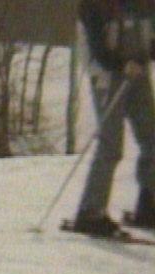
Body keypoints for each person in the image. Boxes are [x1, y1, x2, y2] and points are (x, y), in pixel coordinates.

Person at [74, 0, 155, 235]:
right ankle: (90, 212)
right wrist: (120, 64)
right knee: (111, 144)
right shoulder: (96, 5)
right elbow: (97, 48)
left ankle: (149, 206)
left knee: (152, 139)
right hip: (109, 78)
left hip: (137, 76)